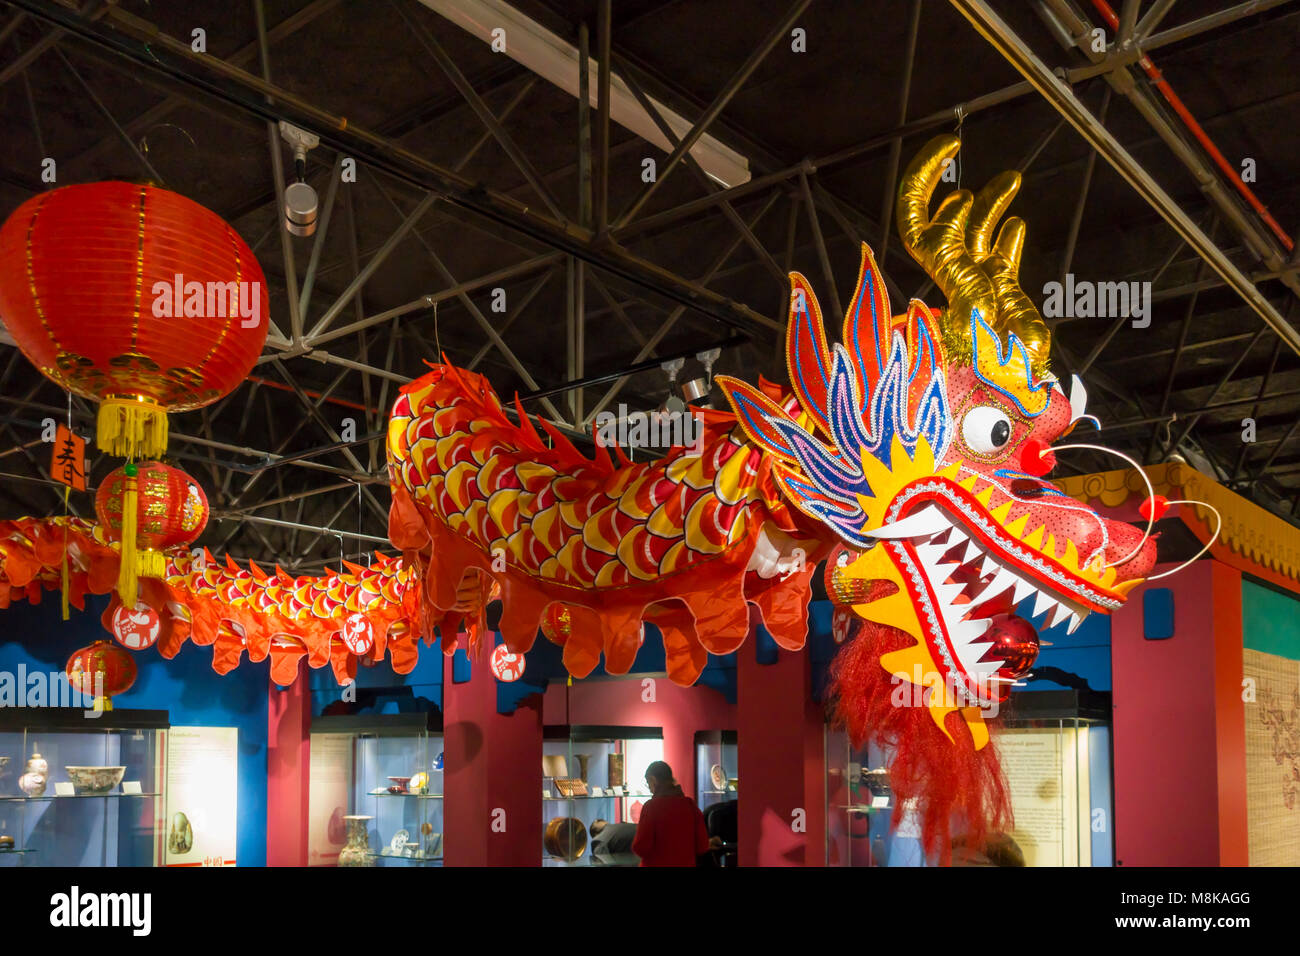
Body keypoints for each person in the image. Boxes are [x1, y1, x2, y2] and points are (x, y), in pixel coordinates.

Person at [630, 760, 715, 867]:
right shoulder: (690, 805)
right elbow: (702, 846)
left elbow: (641, 847)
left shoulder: (651, 807)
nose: (650, 790)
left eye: (648, 784)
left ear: (653, 780)